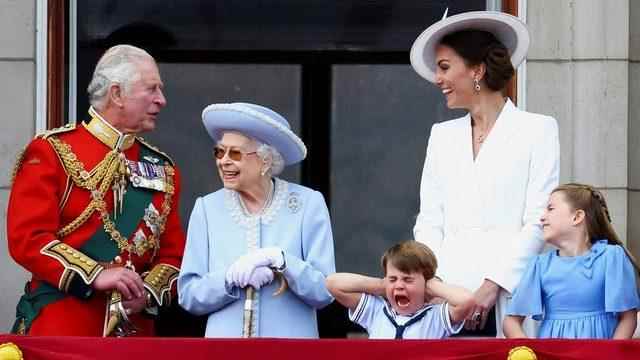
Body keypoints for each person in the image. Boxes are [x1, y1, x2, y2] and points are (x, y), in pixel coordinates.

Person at [7, 44, 186, 336]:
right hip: (63, 329)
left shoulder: (164, 169)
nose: (161, 100)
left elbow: (174, 256)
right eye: (151, 89)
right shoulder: (53, 151)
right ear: (117, 94)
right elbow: (28, 238)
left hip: (135, 336)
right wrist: (95, 275)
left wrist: (148, 294)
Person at [409, 11, 560, 337]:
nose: (438, 78)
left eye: (445, 67)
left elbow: (538, 220)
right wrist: (437, 285)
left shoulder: (538, 130)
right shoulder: (441, 135)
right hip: (446, 301)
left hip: (510, 295)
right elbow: (429, 220)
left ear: (477, 70)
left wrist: (493, 285)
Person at [178, 102, 336, 338]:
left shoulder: (307, 204)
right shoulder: (206, 209)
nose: (224, 161)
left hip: (290, 351)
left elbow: (325, 292)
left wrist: (283, 261)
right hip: (225, 352)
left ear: (265, 160)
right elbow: (189, 295)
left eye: (235, 153)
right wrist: (229, 278)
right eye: (220, 152)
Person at [503, 184, 640, 339]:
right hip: (553, 355)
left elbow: (628, 318)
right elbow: (511, 321)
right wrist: (528, 352)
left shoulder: (611, 258)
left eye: (550, 208)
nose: (542, 217)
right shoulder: (540, 265)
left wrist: (612, 353)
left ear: (577, 217)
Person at [326, 241, 475, 339]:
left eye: (407, 279)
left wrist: (432, 286)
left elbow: (467, 301)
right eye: (392, 279)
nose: (399, 285)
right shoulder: (376, 311)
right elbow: (332, 283)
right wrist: (380, 285)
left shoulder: (435, 317)